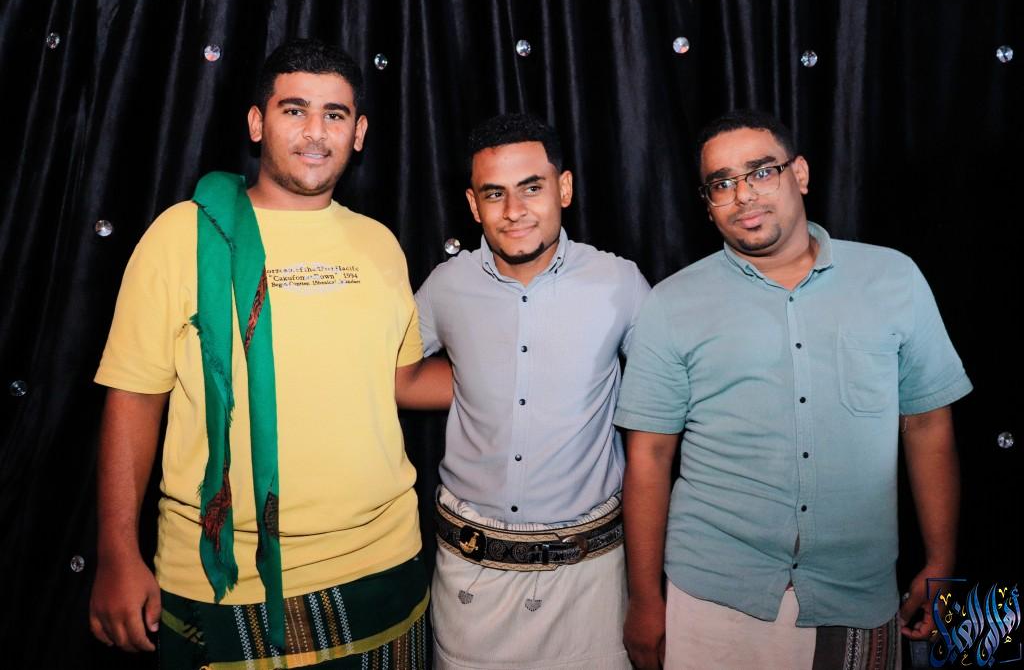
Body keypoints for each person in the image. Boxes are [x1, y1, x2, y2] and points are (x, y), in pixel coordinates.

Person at [89, 39, 450, 669]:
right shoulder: (185, 234)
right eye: (294, 110)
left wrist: (529, 370)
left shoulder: (380, 244)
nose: (315, 132)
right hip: (228, 579)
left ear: (359, 132)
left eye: (334, 114)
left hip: (386, 562)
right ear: (257, 123)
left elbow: (403, 380)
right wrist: (118, 553)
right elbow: (133, 398)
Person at [615, 109, 972, 670]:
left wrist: (941, 560)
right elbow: (649, 457)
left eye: (761, 172)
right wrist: (643, 600)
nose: (743, 195)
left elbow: (927, 425)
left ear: (799, 174)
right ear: (707, 204)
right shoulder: (671, 303)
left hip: (857, 593)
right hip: (713, 599)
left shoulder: (893, 278)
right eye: (722, 183)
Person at [414, 113, 650, 669]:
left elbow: (665, 408)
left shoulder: (619, 283)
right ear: (473, 205)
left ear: (563, 189)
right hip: (471, 582)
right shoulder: (446, 286)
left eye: (531, 188)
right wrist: (477, 384)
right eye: (494, 193)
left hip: (589, 582)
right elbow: (394, 376)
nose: (514, 210)